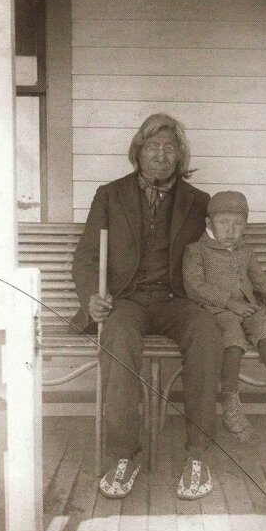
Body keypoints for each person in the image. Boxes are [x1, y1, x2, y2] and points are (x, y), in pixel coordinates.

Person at [72, 113, 223, 501]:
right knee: (118, 337)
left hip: (177, 301)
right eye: (153, 146)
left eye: (169, 147)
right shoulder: (110, 195)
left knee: (207, 332)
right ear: (138, 152)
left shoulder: (199, 201)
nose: (161, 153)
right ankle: (124, 456)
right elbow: (87, 257)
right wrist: (91, 296)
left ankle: (198, 456)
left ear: (179, 155)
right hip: (127, 300)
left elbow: (218, 254)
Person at [183, 191, 266, 439]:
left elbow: (262, 284)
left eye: (238, 223)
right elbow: (195, 286)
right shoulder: (196, 251)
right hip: (217, 312)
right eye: (223, 222)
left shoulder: (245, 252)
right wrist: (230, 303)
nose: (230, 230)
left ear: (245, 225)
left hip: (248, 309)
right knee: (232, 339)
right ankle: (230, 403)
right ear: (209, 223)